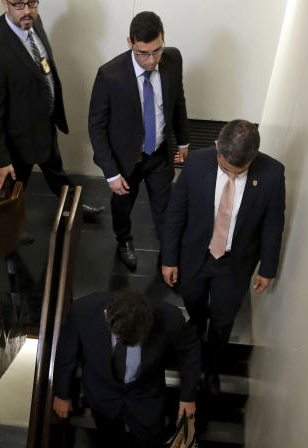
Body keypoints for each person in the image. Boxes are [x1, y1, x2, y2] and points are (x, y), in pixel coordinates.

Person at [161, 120, 285, 395]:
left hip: (235, 262)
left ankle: (213, 369)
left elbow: (273, 223)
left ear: (253, 157)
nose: (230, 174)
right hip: (196, 254)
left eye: (237, 171)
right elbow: (176, 212)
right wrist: (169, 258)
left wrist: (268, 266)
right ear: (217, 145)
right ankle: (197, 321)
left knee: (223, 319)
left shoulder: (273, 173)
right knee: (192, 298)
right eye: (224, 168)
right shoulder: (196, 163)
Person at [52, 288, 199, 448]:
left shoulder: (170, 317)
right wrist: (62, 393)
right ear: (105, 314)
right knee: (108, 434)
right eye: (119, 337)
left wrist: (188, 396)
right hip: (102, 392)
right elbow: (66, 351)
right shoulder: (83, 310)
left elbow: (190, 351)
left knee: (149, 440)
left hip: (146, 395)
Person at [0, 0, 102, 235]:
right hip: (18, 137)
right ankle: (8, 230)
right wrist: (1, 159)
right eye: (18, 4)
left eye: (32, 3)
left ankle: (72, 205)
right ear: (5, 3)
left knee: (55, 170)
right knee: (13, 188)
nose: (27, 11)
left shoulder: (32, 21)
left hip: (43, 123)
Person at [87, 11, 189, 271]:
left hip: (159, 155)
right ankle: (124, 240)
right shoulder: (109, 75)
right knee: (122, 207)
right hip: (125, 159)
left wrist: (184, 141)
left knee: (166, 207)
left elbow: (178, 101)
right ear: (130, 42)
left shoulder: (173, 59)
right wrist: (110, 173)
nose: (152, 60)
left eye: (157, 51)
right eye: (143, 53)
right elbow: (96, 126)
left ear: (163, 40)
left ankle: (169, 252)